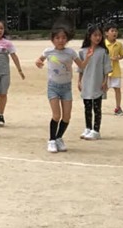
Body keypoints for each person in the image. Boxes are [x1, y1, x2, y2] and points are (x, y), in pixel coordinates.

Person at [35, 24, 92, 153]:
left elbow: (81, 66)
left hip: (66, 88)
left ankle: (59, 138)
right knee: (56, 115)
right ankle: (51, 140)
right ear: (52, 39)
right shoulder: (48, 51)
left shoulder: (70, 52)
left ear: (67, 39)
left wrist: (88, 58)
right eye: (57, 38)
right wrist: (38, 62)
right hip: (53, 87)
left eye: (63, 38)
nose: (60, 40)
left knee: (66, 116)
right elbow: (39, 60)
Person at [77, 24, 113, 140]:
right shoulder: (83, 51)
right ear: (89, 36)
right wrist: (79, 81)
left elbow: (106, 68)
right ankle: (88, 128)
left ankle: (96, 130)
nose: (98, 38)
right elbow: (80, 68)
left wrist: (105, 81)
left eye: (99, 35)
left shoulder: (103, 52)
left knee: (97, 107)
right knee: (87, 106)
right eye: (95, 35)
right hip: (86, 82)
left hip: (98, 81)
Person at [104, 25, 123, 116]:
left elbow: (122, 55)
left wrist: (118, 58)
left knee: (117, 89)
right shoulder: (103, 44)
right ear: (106, 33)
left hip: (116, 70)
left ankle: (118, 107)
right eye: (112, 31)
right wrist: (109, 58)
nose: (114, 33)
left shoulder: (119, 44)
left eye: (116, 31)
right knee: (103, 89)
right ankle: (96, 105)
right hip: (105, 71)